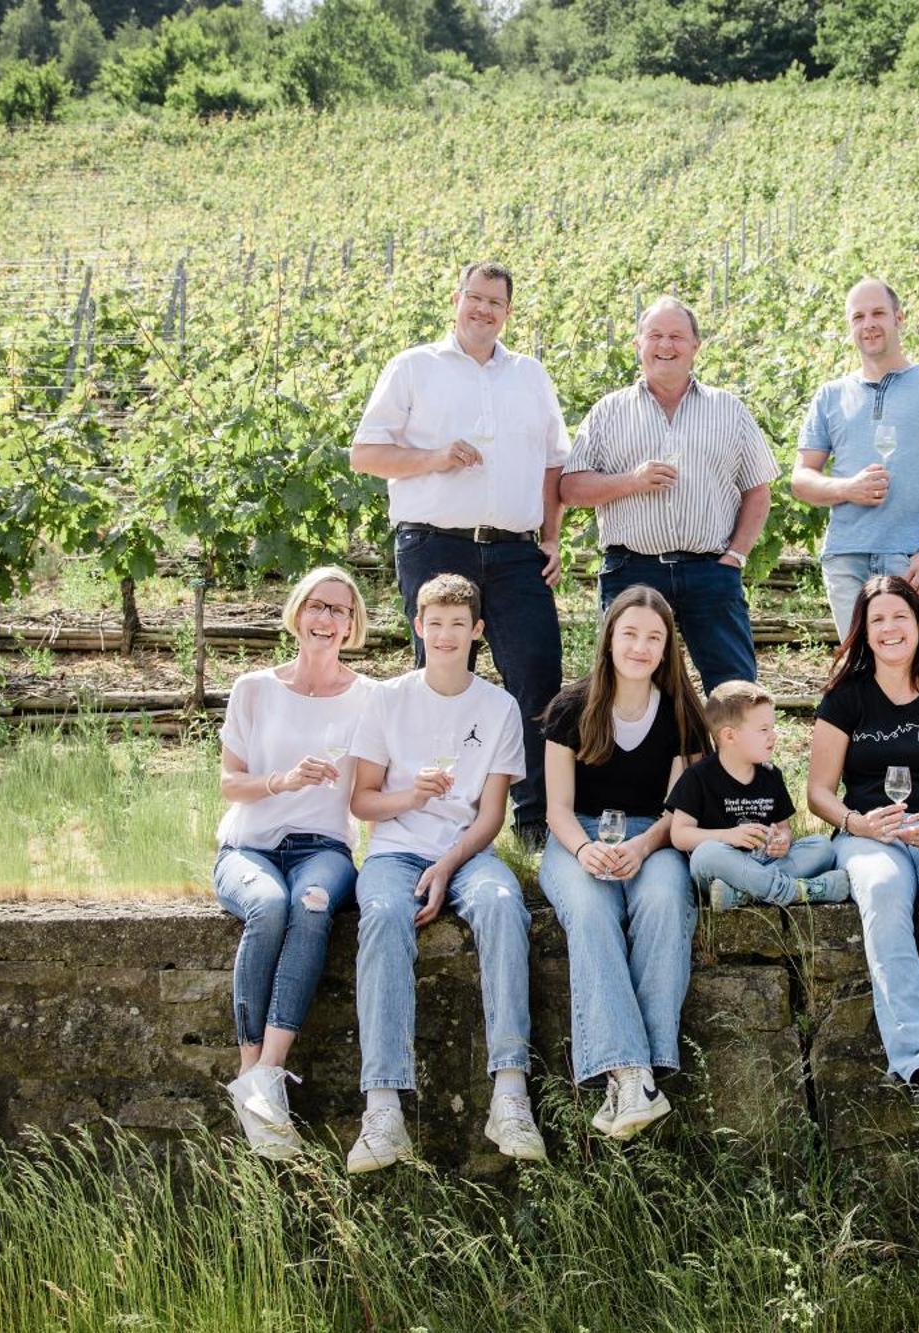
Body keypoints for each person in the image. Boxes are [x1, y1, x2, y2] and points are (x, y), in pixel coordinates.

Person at [350, 259, 568, 844]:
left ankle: (534, 824)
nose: (484, 310)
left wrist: (551, 535)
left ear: (508, 312)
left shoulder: (530, 376)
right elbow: (365, 455)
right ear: (457, 299)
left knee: (538, 679)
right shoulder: (414, 367)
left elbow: (554, 462)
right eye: (475, 298)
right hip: (435, 545)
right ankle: (437, 822)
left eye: (496, 303)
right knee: (443, 679)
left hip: (516, 552)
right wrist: (435, 458)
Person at [345, 574, 546, 1170]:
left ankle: (509, 1094)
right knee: (382, 915)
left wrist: (448, 864)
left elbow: (490, 816)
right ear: (419, 627)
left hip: (466, 853)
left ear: (477, 631)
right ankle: (382, 1109)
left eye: (459, 624)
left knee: (504, 906)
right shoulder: (386, 699)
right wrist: (408, 797)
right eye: (436, 623)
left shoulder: (499, 706)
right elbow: (362, 802)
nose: (447, 634)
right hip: (392, 851)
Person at [806, 575, 919, 1101]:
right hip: (868, 833)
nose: (890, 628)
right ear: (864, 632)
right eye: (878, 619)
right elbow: (819, 792)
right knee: (884, 890)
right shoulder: (845, 698)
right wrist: (857, 824)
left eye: (900, 617)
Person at [538, 585, 712, 1140]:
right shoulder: (571, 708)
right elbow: (557, 809)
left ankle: (636, 1076)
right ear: (610, 636)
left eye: (654, 638)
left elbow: (677, 809)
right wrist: (586, 850)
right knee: (590, 909)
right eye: (630, 633)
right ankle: (635, 1073)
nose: (640, 646)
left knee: (664, 898)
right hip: (577, 837)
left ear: (667, 649)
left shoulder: (684, 713)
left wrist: (641, 847)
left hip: (656, 836)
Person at [213, 566, 374, 1159]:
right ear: (298, 613)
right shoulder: (254, 687)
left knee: (309, 904)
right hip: (248, 846)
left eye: (340, 611)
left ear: (352, 625)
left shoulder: (369, 698)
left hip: (323, 848)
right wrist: (280, 781)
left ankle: (265, 1078)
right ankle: (248, 1068)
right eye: (318, 606)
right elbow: (230, 785)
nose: (327, 620)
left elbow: (371, 793)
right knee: (270, 905)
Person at [558, 296, 777, 691]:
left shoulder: (729, 410)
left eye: (677, 336)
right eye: (655, 335)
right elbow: (571, 488)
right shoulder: (608, 412)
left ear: (695, 346)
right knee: (626, 688)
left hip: (711, 570)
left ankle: (739, 756)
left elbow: (758, 491)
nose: (666, 345)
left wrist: (735, 556)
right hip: (632, 571)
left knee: (735, 689)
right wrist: (632, 481)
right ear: (638, 345)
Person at [791, 277, 919, 663]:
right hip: (847, 557)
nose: (868, 324)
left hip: (912, 560)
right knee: (860, 681)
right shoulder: (829, 395)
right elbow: (801, 479)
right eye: (858, 316)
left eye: (878, 313)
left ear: (899, 318)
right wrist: (847, 489)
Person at [670, 679, 849, 910]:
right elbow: (679, 835)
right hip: (724, 868)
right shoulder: (698, 777)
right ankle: (795, 890)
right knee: (704, 855)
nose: (773, 736)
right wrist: (728, 836)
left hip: (765, 862)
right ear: (729, 736)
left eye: (772, 728)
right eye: (764, 730)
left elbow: (783, 828)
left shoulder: (770, 775)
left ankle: (742, 895)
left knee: (822, 846)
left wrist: (782, 841)